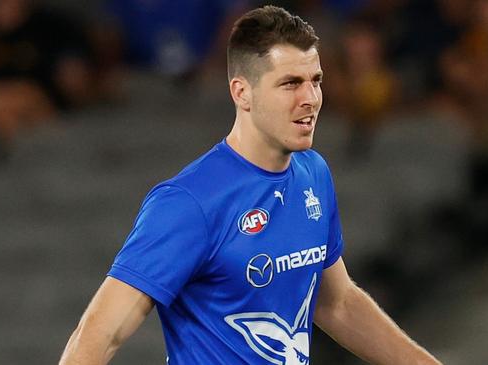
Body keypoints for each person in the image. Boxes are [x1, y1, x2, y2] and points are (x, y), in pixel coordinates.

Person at [59, 6, 442, 365]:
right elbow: (98, 336)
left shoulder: (313, 173)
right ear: (242, 92)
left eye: (316, 81)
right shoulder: (190, 202)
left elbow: (336, 303)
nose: (310, 99)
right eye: (291, 83)